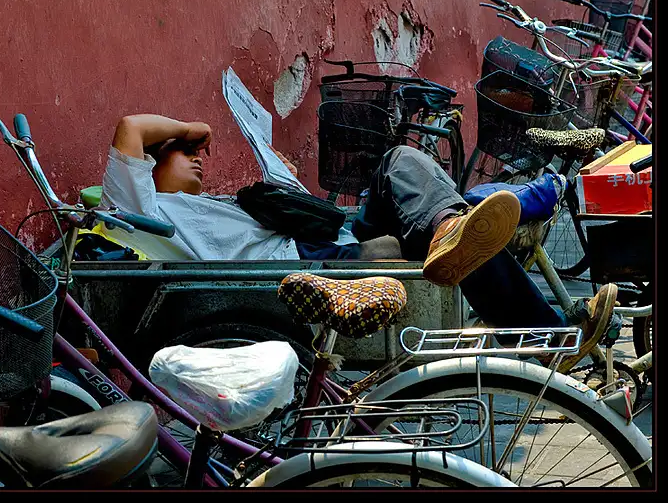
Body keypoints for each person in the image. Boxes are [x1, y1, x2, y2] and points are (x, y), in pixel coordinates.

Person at [101, 114, 616, 372]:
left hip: (333, 237)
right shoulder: (142, 209)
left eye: (195, 149)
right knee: (419, 184)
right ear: (148, 165)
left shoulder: (205, 205)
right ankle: (548, 330)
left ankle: (465, 231)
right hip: (309, 261)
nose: (198, 156)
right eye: (181, 151)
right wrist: (192, 127)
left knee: (415, 179)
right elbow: (128, 128)